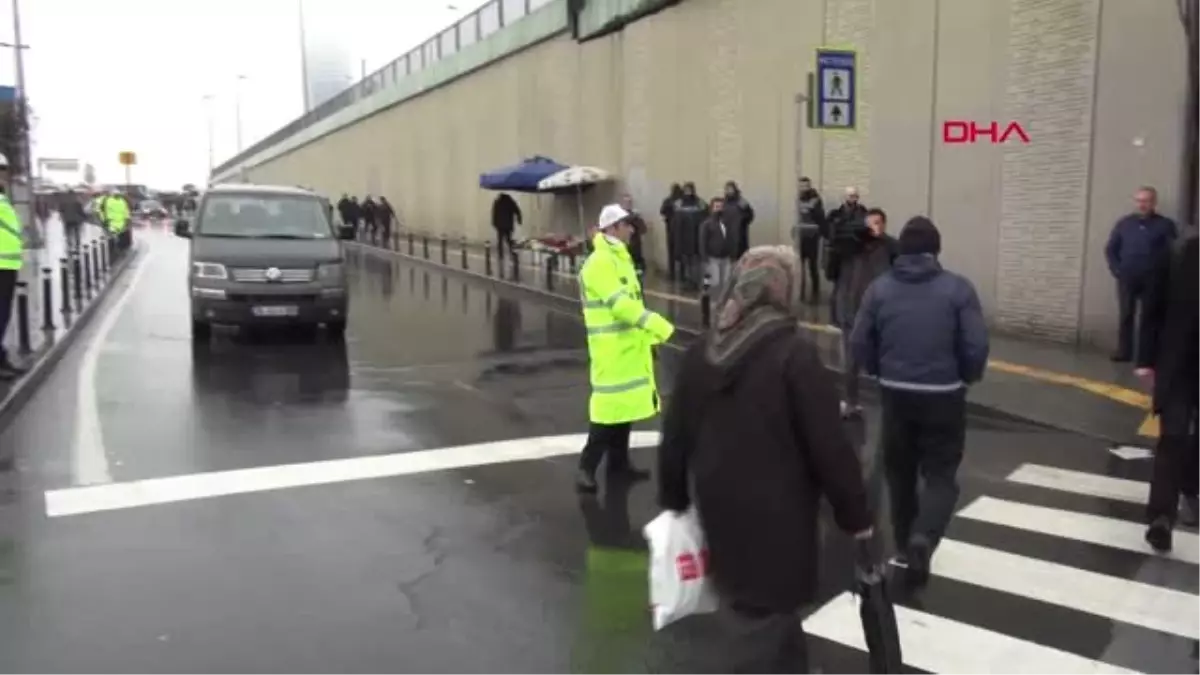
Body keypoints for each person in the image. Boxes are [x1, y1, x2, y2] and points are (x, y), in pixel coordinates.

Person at [657, 246, 873, 671]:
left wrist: (675, 498)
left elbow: (675, 436)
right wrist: (856, 515)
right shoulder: (793, 355)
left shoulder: (703, 352)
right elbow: (830, 447)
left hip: (719, 508)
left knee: (752, 609)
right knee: (762, 620)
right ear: (783, 291)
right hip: (779, 519)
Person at [851, 216, 989, 588]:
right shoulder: (958, 290)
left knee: (899, 473)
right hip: (944, 394)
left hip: (895, 393)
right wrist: (966, 376)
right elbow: (976, 345)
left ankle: (904, 544)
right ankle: (923, 538)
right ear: (936, 250)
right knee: (941, 475)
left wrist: (879, 371)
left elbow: (859, 341)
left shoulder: (880, 290)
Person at [576, 203, 675, 493]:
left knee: (624, 409)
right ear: (612, 228)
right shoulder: (600, 263)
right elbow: (620, 306)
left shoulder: (621, 259)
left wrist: (648, 339)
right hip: (610, 350)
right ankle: (586, 468)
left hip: (628, 348)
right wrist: (657, 325)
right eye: (627, 224)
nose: (632, 230)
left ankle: (619, 466)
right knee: (607, 412)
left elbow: (633, 303)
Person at [1136, 226, 1200, 552]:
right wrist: (1145, 360)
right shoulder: (1176, 253)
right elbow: (1153, 309)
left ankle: (1191, 489)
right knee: (1173, 437)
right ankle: (1161, 518)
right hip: (1178, 367)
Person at [834, 207, 896, 418]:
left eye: (877, 223)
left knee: (885, 361)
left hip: (880, 314)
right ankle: (850, 402)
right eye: (869, 223)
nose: (873, 228)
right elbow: (835, 243)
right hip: (851, 312)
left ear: (884, 225)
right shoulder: (851, 246)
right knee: (850, 362)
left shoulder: (890, 247)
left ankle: (892, 407)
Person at [1105, 186, 1177, 362]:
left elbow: (1173, 252)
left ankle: (1147, 355)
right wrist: (1117, 270)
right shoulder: (1124, 223)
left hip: (1154, 279)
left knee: (1150, 317)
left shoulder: (1165, 225)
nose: (1142, 204)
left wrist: (1164, 274)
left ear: (1154, 202)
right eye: (1139, 200)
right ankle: (1124, 352)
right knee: (1126, 315)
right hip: (1128, 277)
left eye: (1146, 201)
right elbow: (1111, 249)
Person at [825, 186, 869, 322]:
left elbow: (864, 231)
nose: (853, 199)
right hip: (839, 255)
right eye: (850, 196)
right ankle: (836, 317)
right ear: (845, 197)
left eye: (855, 196)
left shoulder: (863, 213)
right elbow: (830, 233)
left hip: (856, 254)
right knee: (839, 288)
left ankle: (849, 316)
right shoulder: (835, 215)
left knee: (854, 287)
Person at [0, 152, 26, 380]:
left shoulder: (2, 198)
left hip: (7, 265)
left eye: (4, 170)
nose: (3, 175)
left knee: (4, 315)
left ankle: (2, 358)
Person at [794, 177, 827, 304]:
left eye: (805, 186)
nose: (803, 188)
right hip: (801, 236)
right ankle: (800, 293)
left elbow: (820, 218)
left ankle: (815, 294)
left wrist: (822, 233)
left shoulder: (815, 200)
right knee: (799, 266)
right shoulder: (798, 199)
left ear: (809, 186)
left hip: (812, 236)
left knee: (812, 266)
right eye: (801, 186)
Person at [670, 182, 707, 289]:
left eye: (689, 190)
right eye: (686, 190)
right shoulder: (679, 204)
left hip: (696, 237)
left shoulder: (700, 203)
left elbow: (705, 217)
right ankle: (688, 281)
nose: (688, 192)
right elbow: (675, 223)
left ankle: (695, 281)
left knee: (695, 262)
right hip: (683, 238)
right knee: (686, 262)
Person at [698, 196, 735, 293]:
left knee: (726, 281)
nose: (719, 209)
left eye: (721, 206)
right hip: (713, 257)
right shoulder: (706, 224)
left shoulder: (726, 223)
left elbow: (730, 238)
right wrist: (704, 257)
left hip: (725, 257)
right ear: (712, 208)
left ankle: (720, 300)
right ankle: (708, 294)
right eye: (716, 207)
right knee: (715, 281)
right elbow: (702, 241)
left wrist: (732, 252)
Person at [722, 180, 755, 259]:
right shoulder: (723, 203)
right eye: (727, 189)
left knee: (740, 258)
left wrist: (742, 221)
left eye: (731, 189)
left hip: (739, 234)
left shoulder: (742, 202)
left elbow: (750, 215)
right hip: (726, 235)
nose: (729, 191)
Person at [618, 193, 647, 278]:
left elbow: (643, 230)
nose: (628, 204)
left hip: (636, 248)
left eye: (629, 202)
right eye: (626, 202)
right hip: (624, 248)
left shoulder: (636, 216)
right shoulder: (619, 217)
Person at [659, 183, 683, 280]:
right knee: (673, 252)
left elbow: (662, 211)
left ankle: (674, 273)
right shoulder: (670, 201)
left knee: (674, 252)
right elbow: (662, 211)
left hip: (676, 230)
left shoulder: (678, 201)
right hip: (673, 229)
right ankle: (674, 273)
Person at [490, 192, 522, 260]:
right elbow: (517, 211)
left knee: (500, 240)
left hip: (500, 225)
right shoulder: (510, 202)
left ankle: (500, 254)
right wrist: (519, 220)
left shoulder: (497, 202)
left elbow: (494, 214)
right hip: (508, 225)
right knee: (509, 239)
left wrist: (494, 223)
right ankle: (512, 252)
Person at [59, 189, 88, 253]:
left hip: (67, 220)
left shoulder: (64, 202)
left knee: (68, 234)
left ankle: (69, 246)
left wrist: (62, 217)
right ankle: (77, 247)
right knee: (76, 234)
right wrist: (85, 216)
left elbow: (61, 211)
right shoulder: (77, 202)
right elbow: (80, 211)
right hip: (75, 220)